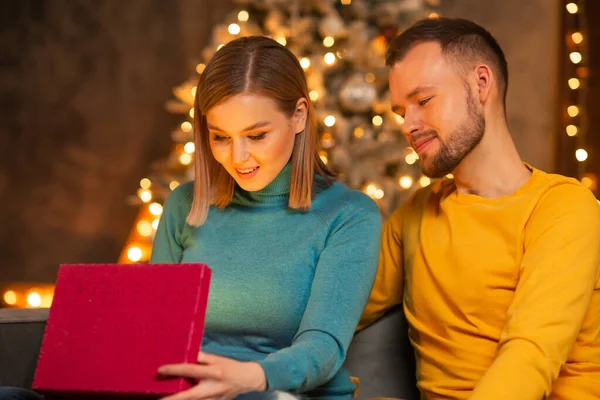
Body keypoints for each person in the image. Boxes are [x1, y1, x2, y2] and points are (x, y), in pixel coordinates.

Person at [0, 36, 381, 400]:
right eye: (220, 137)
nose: (238, 158)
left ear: (298, 116)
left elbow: (322, 346)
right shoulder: (186, 205)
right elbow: (154, 339)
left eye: (257, 135)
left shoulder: (348, 216)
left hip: (278, 393)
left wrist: (249, 377)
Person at [358, 17, 600, 400]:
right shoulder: (417, 213)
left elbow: (529, 357)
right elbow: (344, 304)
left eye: (423, 101)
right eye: (401, 111)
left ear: (481, 84)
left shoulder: (564, 208)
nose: (408, 125)